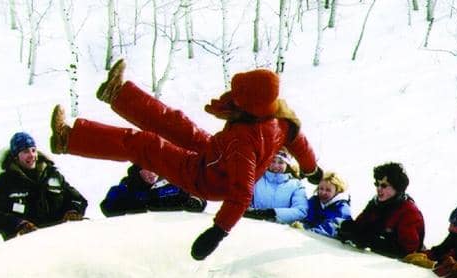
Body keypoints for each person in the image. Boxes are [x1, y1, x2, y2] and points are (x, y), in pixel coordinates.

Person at [49, 59, 320, 260]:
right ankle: (117, 94)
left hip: (206, 177)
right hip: (217, 156)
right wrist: (313, 171)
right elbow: (300, 143)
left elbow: (241, 193)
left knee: (144, 145)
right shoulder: (280, 121)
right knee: (177, 123)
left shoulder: (243, 144)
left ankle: (68, 139)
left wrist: (216, 233)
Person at [0, 132, 88, 240]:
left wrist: (73, 211)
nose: (31, 155)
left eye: (33, 150)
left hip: (61, 239)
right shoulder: (3, 183)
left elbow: (78, 199)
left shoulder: (52, 175)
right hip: (25, 244)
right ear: (15, 156)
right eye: (25, 151)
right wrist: (18, 224)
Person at [338, 162, 425, 258]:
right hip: (371, 258)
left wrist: (372, 241)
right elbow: (360, 224)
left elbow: (408, 250)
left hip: (396, 264)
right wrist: (350, 230)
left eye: (384, 185)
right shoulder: (376, 203)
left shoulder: (408, 212)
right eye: (377, 184)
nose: (378, 189)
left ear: (397, 187)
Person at [100, 164, 207, 217]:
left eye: (155, 171)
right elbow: (107, 209)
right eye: (148, 171)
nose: (152, 175)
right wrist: (141, 203)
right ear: (138, 171)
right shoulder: (123, 189)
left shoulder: (173, 185)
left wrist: (195, 202)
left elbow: (197, 197)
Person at [242, 149, 308, 224]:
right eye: (273, 161)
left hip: (280, 228)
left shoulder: (296, 185)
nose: (276, 166)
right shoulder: (256, 178)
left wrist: (273, 213)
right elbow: (243, 200)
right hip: (252, 224)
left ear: (287, 164)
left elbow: (301, 211)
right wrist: (251, 212)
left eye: (281, 162)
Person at [299, 171, 352, 238]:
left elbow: (331, 227)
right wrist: (300, 226)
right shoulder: (314, 201)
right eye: (321, 188)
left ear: (337, 191)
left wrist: (310, 232)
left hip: (325, 240)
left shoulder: (342, 208)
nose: (323, 192)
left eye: (328, 190)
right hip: (308, 235)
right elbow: (304, 217)